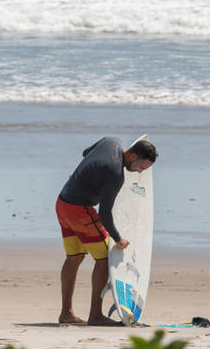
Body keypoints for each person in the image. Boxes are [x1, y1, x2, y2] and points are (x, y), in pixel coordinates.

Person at [56, 137, 157, 325]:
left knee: (74, 257)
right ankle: (95, 315)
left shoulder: (110, 142)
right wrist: (118, 238)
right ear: (133, 155)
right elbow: (104, 213)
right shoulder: (115, 174)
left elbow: (86, 153)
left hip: (62, 203)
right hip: (80, 210)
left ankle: (66, 313)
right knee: (105, 258)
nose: (139, 172)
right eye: (141, 167)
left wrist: (92, 177)